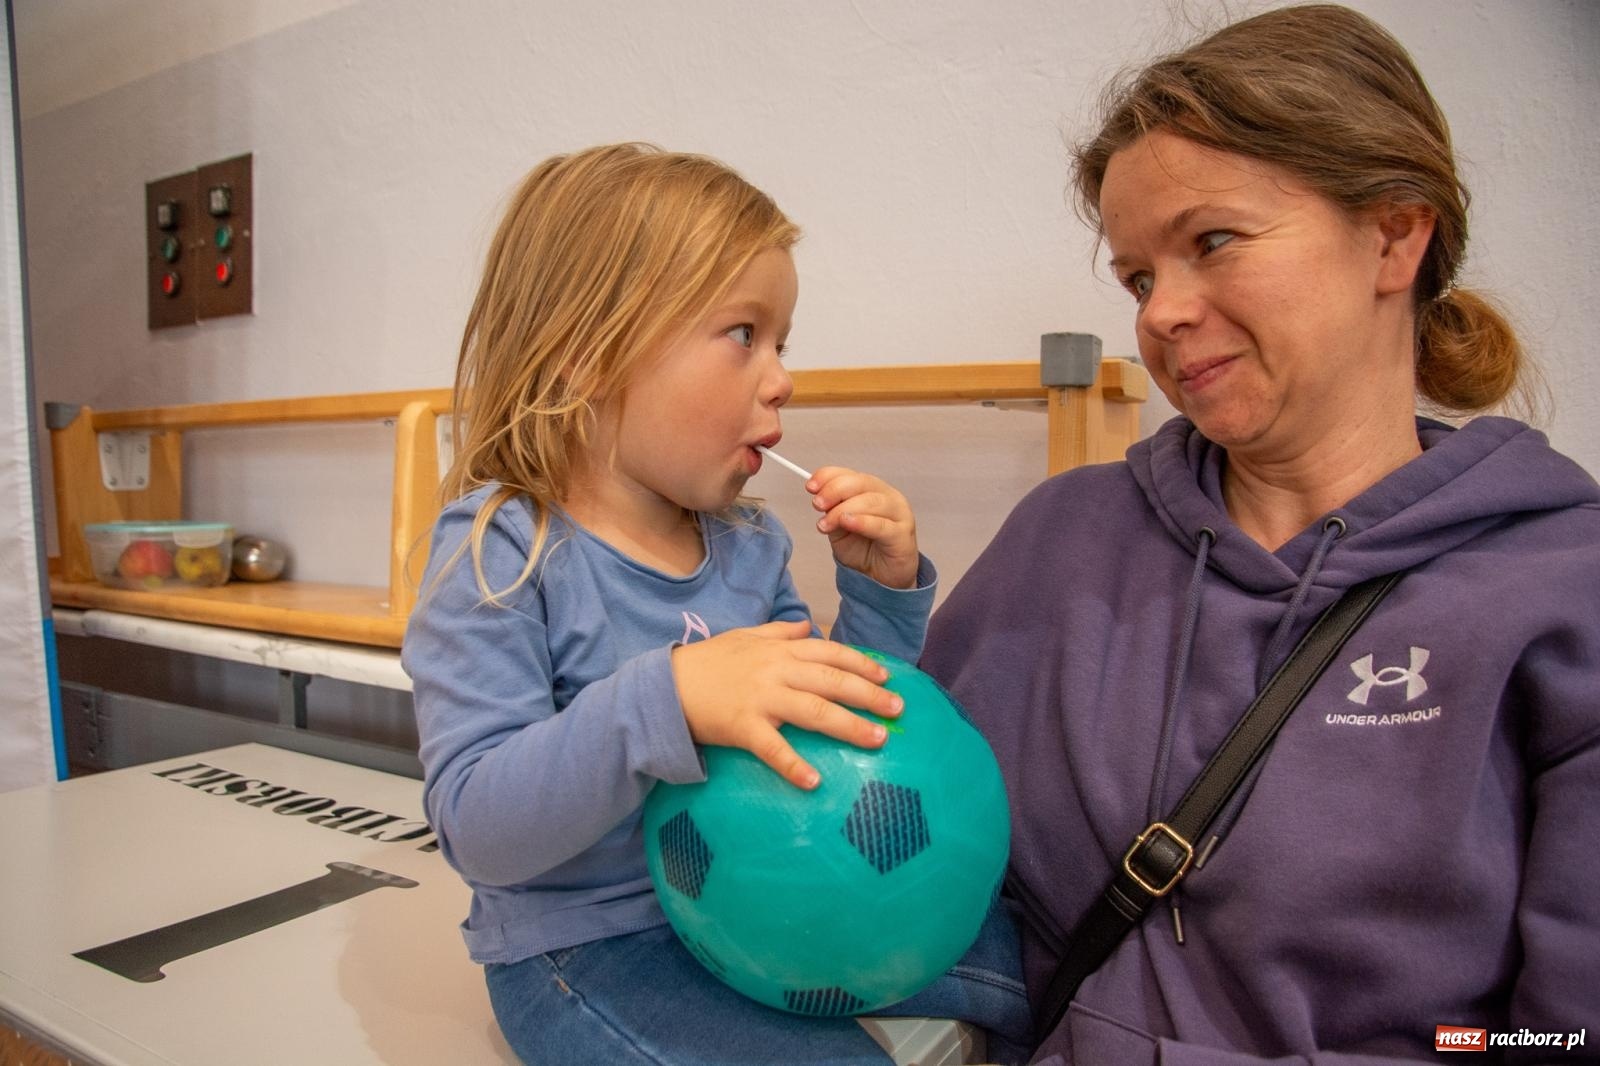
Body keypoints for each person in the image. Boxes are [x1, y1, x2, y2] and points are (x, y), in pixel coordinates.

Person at [920, 5, 1600, 1063]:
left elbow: (1557, 1041)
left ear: (1393, 233)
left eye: (1212, 242)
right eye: (1140, 276)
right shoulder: (1054, 545)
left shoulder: (1562, 587)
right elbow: (911, 857)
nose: (1159, 314)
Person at [403, 143, 1029, 1065]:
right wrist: (670, 699)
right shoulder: (498, 551)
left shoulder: (747, 542)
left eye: (784, 344)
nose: (780, 377)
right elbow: (477, 828)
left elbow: (817, 737)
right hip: (593, 948)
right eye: (744, 334)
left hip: (767, 902)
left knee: (1034, 965)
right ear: (585, 352)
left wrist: (879, 595)